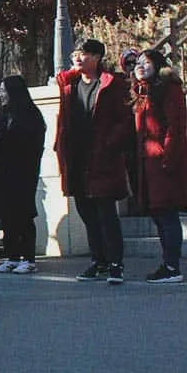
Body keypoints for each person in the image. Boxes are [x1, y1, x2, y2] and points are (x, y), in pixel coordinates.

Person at [54, 38, 136, 285]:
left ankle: (115, 263)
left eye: (84, 54)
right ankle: (97, 260)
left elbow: (124, 121)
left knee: (106, 214)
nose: (78, 59)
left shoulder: (111, 85)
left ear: (97, 57)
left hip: (103, 157)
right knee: (86, 213)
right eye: (75, 55)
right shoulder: (70, 86)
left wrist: (110, 143)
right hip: (77, 158)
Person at [131, 50, 187, 284]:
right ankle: (167, 263)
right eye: (138, 63)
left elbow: (176, 126)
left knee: (167, 214)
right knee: (159, 215)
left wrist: (168, 157)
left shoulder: (169, 88)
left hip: (164, 161)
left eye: (146, 62)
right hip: (148, 162)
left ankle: (172, 266)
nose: (140, 66)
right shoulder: (142, 91)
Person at [0, 76, 46, 274]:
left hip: (24, 172)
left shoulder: (31, 116)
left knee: (24, 215)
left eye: (4, 91)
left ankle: (28, 258)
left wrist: (3, 141)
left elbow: (29, 144)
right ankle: (11, 256)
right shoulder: (2, 115)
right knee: (7, 216)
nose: (1, 95)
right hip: (3, 171)